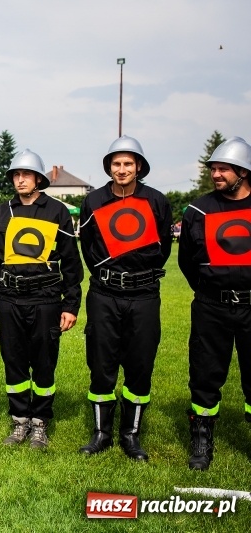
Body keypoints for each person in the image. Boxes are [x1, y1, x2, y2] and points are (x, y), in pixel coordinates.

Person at [0, 149, 83, 449]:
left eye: (26, 175)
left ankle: (40, 423)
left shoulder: (57, 211)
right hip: (9, 298)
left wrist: (70, 304)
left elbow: (72, 263)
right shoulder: (2, 212)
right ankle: (20, 421)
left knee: (45, 362)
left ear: (38, 179)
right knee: (14, 362)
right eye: (16, 175)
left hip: (47, 298)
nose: (20, 180)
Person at [78, 136, 173, 462]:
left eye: (128, 164)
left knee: (140, 363)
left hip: (144, 294)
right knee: (101, 363)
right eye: (116, 164)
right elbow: (88, 247)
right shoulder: (93, 201)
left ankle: (131, 435)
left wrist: (138, 275)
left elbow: (163, 248)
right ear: (109, 167)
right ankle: (101, 433)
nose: (122, 169)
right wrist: (108, 276)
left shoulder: (157, 201)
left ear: (139, 167)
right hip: (104, 294)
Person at [178, 136, 251, 471]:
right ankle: (202, 442)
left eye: (224, 169)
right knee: (206, 374)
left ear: (243, 171)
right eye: (214, 169)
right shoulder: (198, 209)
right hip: (211, 306)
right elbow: (187, 261)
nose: (217, 174)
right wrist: (211, 291)